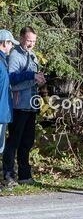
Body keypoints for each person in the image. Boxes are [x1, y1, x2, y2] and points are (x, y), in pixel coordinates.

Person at [3, 27, 46, 188]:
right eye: (29, 41)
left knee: (27, 142)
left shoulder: (32, 56)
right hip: (19, 106)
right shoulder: (15, 55)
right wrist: (31, 76)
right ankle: (8, 176)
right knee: (14, 142)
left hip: (30, 106)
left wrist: (40, 79)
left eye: (34, 41)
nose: (31, 44)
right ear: (21, 39)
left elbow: (32, 79)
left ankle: (24, 175)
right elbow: (12, 80)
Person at [0, 30, 13, 160]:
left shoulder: (4, 61)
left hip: (3, 112)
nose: (12, 46)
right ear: (4, 43)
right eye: (10, 43)